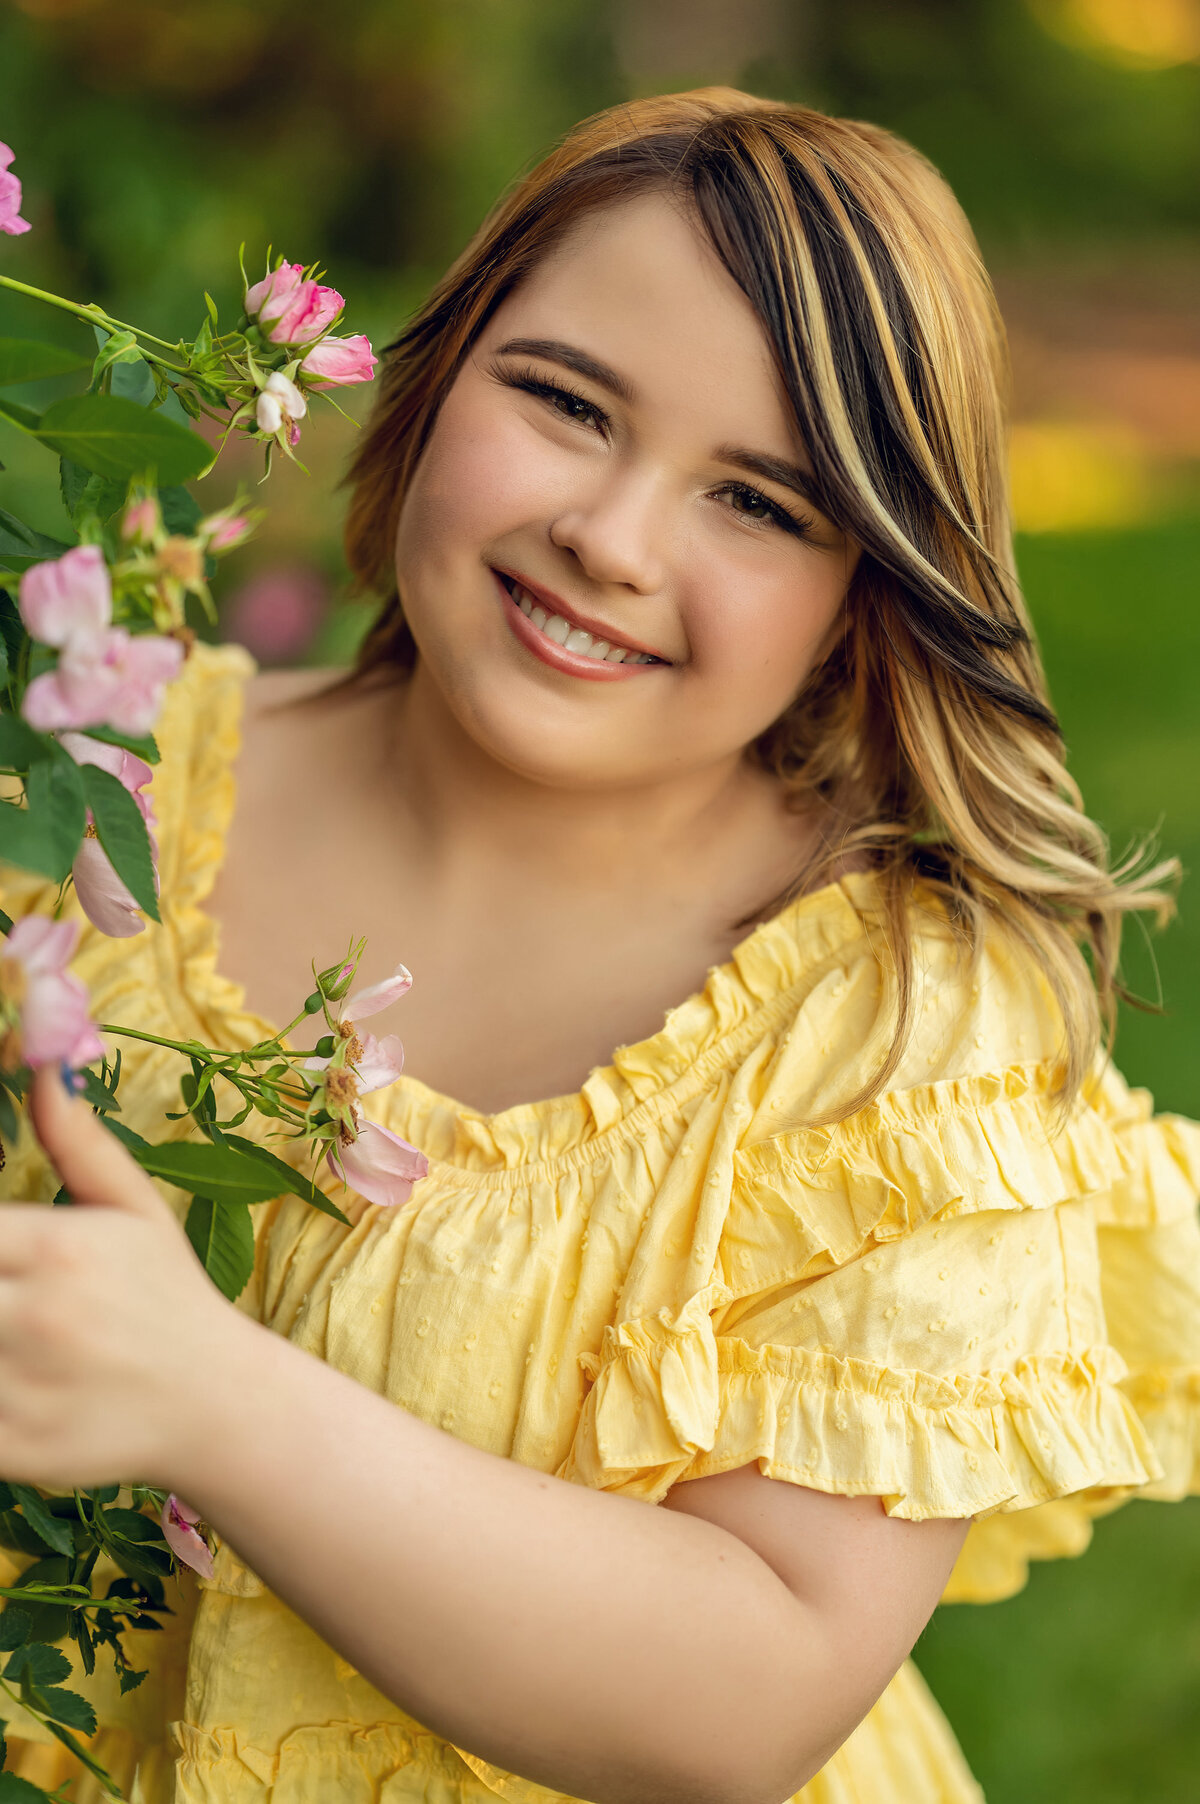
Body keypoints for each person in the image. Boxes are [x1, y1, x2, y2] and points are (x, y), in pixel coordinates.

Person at [1, 86, 1198, 1804]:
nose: (615, 540)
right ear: (436, 366)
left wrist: (218, 1407)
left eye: (762, 505)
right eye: (567, 403)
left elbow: (753, 1688)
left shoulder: (897, 1029)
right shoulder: (81, 790)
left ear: (871, 585)